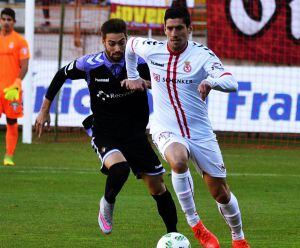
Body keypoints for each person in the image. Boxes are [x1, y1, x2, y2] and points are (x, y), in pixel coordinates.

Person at [35, 18, 178, 235]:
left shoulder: (140, 64)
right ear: (103, 42)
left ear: (127, 39)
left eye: (121, 42)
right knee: (120, 168)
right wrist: (44, 109)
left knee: (157, 187)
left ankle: (173, 236)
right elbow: (61, 74)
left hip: (135, 134)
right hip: (104, 131)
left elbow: (166, 84)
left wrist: (146, 83)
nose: (117, 48)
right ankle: (108, 203)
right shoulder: (90, 64)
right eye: (112, 43)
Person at [122, 7, 250, 248]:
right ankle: (196, 225)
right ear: (164, 29)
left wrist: (210, 81)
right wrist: (134, 76)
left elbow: (231, 82)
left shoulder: (202, 55)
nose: (174, 33)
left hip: (200, 132)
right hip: (165, 127)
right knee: (178, 161)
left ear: (190, 30)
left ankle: (238, 238)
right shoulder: (152, 49)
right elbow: (129, 45)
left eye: (179, 28)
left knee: (220, 193)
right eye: (169, 28)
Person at [0, 8, 30, 166]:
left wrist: (17, 83)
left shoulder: (20, 41)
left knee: (11, 122)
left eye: (9, 19)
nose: (6, 22)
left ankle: (8, 156)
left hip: (12, 90)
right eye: (3, 19)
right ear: (0, 20)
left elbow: (25, 66)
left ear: (14, 22)